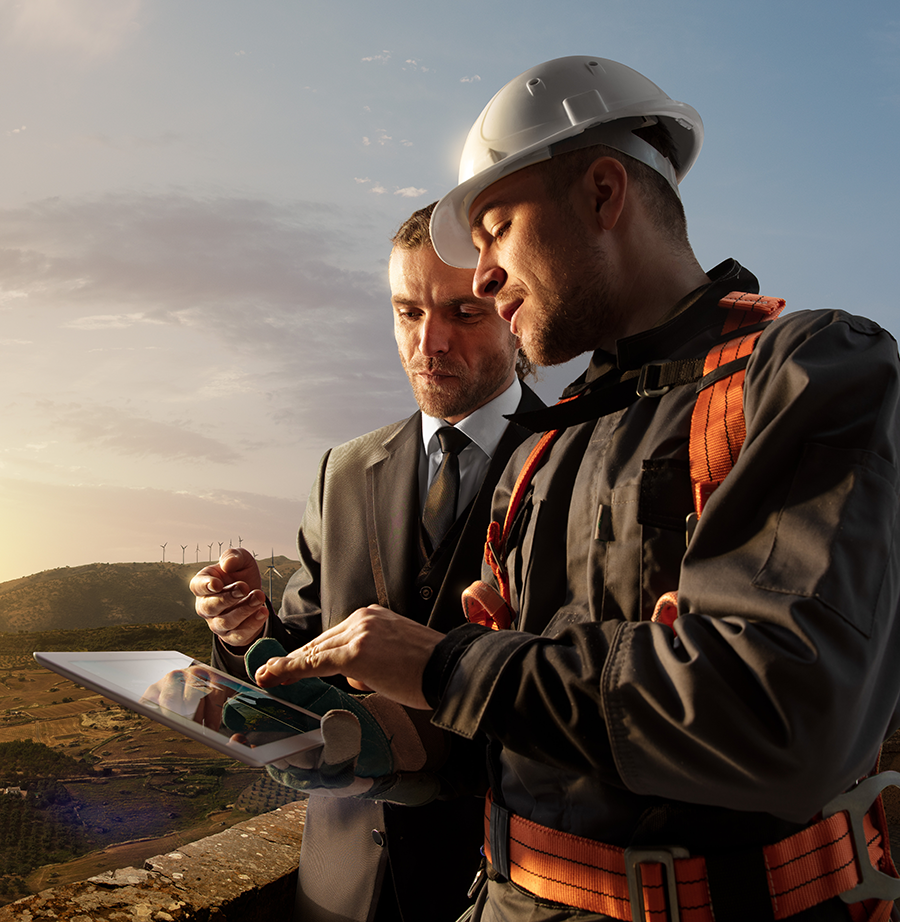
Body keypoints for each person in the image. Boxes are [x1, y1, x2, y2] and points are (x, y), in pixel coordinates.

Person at [252, 56, 900, 921]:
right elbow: (507, 727)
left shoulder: (808, 374)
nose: (480, 276)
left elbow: (782, 716)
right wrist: (369, 741)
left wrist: (441, 664)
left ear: (602, 194)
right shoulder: (543, 450)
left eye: (497, 228)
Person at [191, 201, 544, 922]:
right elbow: (298, 656)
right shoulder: (344, 470)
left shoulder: (577, 456)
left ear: (515, 310)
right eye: (407, 311)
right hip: (340, 884)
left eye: (462, 314)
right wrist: (242, 630)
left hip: (502, 883)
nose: (428, 342)